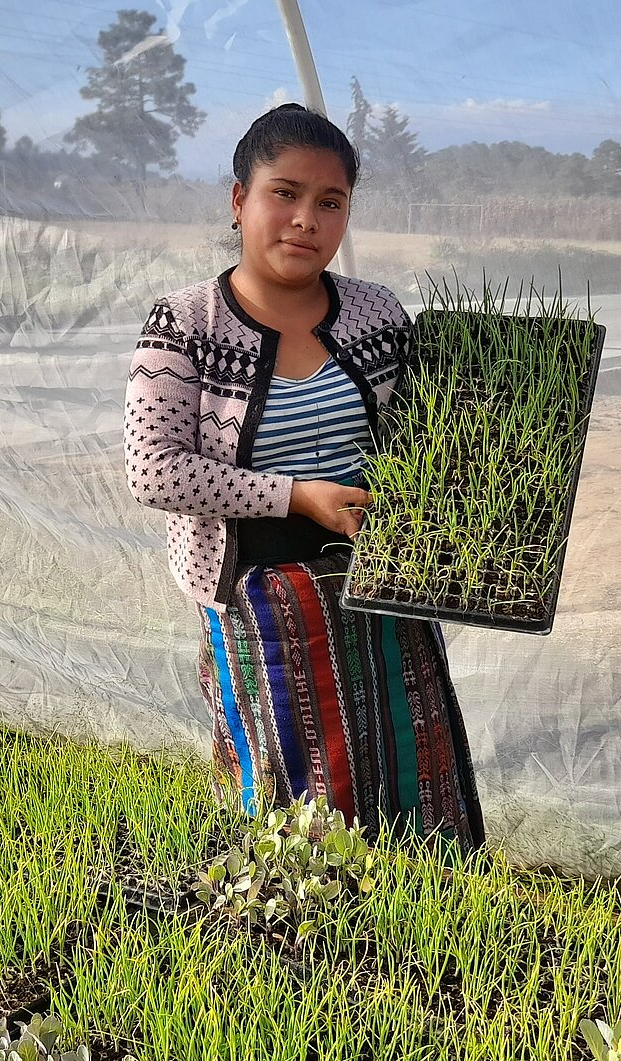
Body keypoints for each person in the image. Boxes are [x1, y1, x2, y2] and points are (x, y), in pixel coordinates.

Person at [124, 103, 485, 858]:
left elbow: (426, 439)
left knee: (408, 767)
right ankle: (299, 945)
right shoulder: (187, 323)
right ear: (238, 201)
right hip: (255, 594)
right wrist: (297, 495)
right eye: (283, 193)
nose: (305, 220)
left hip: (381, 582)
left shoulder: (376, 312)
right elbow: (154, 470)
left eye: (330, 202)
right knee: (288, 787)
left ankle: (423, 920)